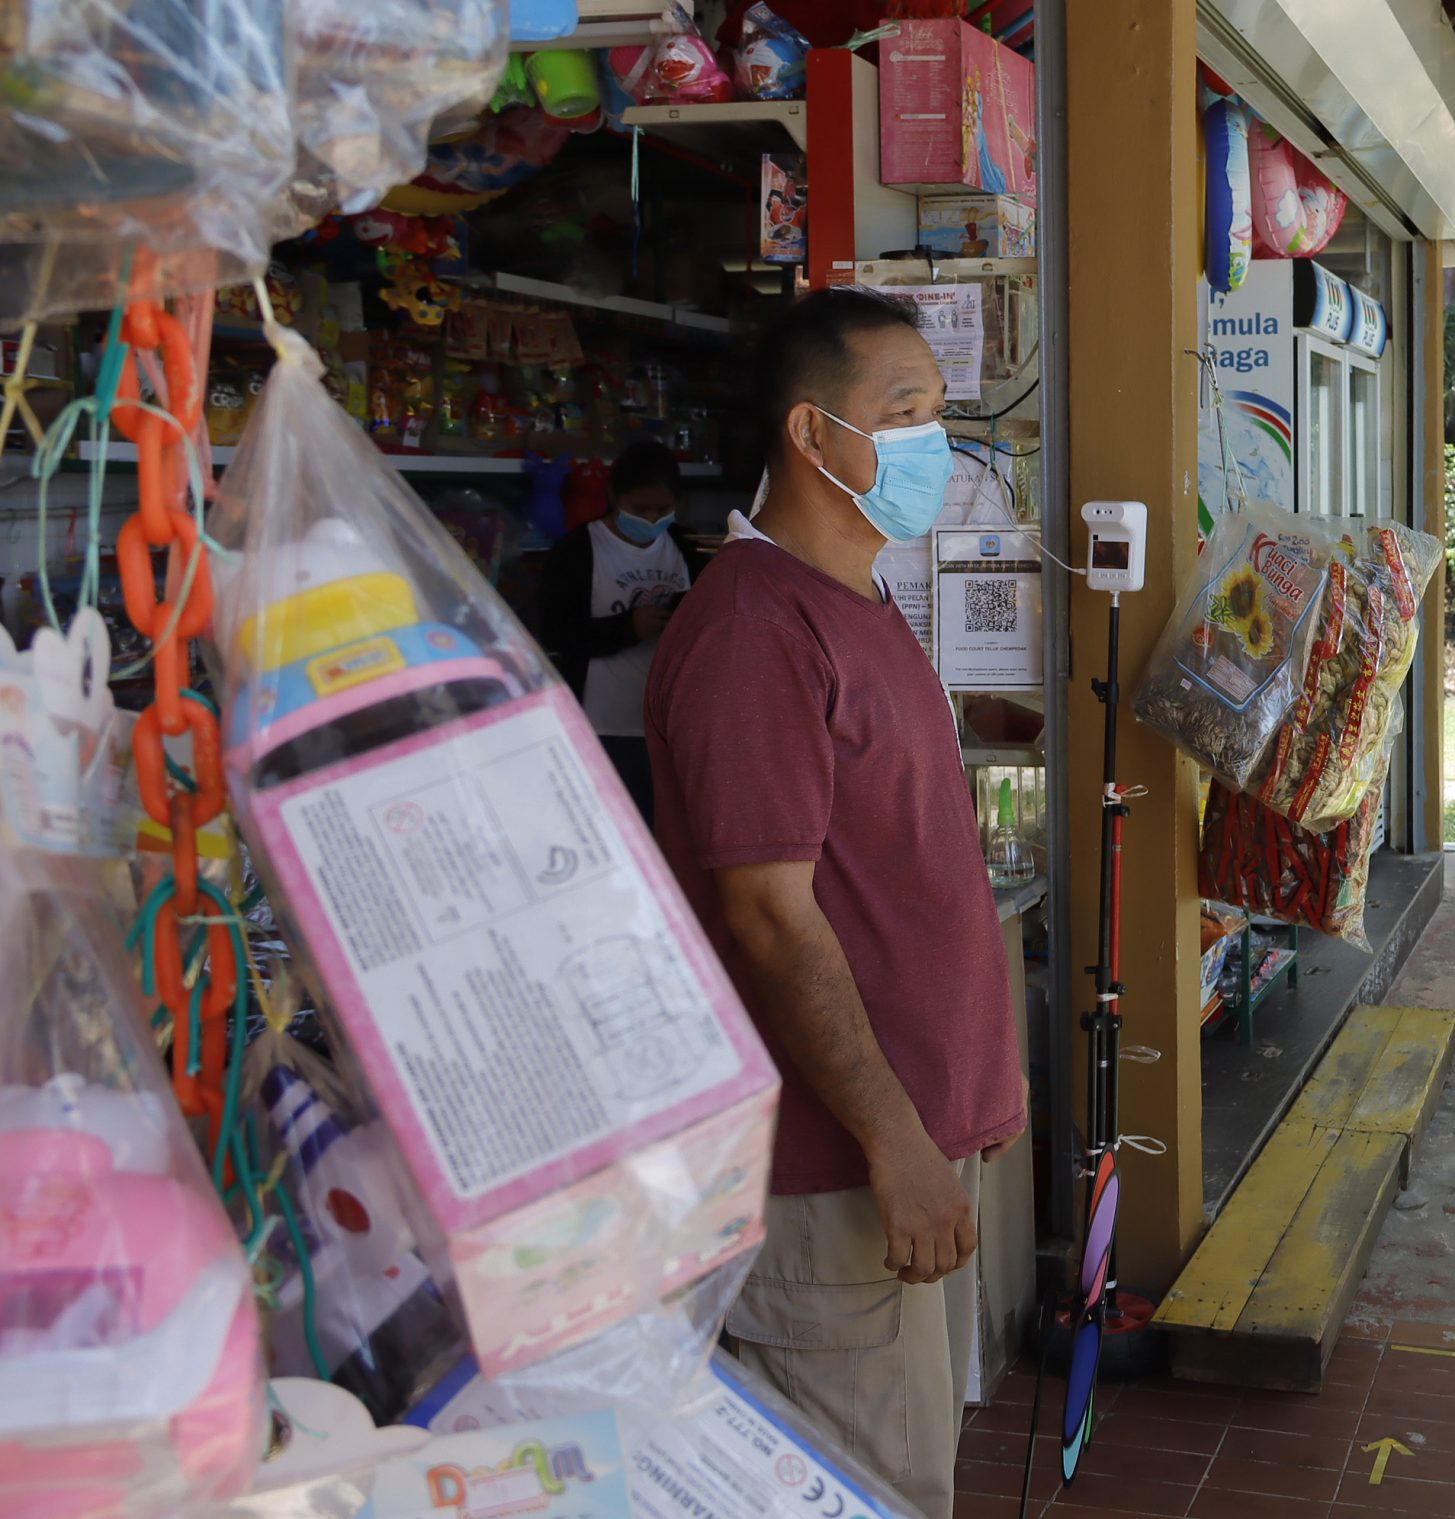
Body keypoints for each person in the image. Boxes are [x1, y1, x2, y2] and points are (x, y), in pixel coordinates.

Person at [646, 288, 1026, 1519]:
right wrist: (897, 1138)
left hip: (899, 1159)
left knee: (908, 1468)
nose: (935, 443)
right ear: (814, 437)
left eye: (938, 411)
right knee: (869, 1494)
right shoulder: (754, 629)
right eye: (904, 414)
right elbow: (769, 915)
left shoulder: (853, 596)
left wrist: (966, 1100)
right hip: (832, 1181)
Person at [538, 439, 704, 825]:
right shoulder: (577, 551)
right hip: (601, 725)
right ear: (614, 497)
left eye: (662, 510)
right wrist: (627, 628)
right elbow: (555, 634)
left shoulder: (687, 548)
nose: (651, 520)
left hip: (671, 728)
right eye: (640, 509)